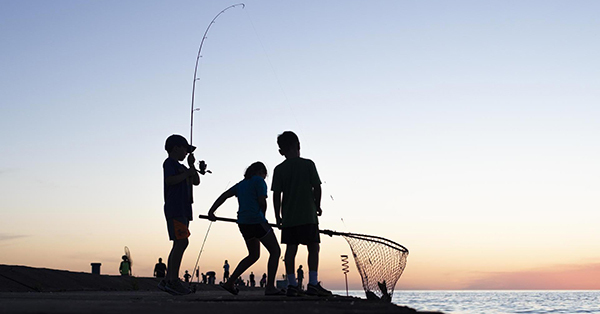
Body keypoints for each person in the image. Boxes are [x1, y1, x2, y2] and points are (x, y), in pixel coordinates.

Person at [208, 162, 284, 296]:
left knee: (253, 255)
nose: (264, 178)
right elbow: (262, 201)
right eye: (264, 175)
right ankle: (270, 287)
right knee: (275, 251)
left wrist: (211, 211)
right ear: (261, 172)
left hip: (243, 223)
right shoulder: (259, 181)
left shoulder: (241, 184)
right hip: (256, 221)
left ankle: (230, 282)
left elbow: (224, 195)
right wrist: (263, 218)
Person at [272, 131, 332, 297]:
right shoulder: (308, 164)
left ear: (281, 151)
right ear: (298, 146)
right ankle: (313, 283)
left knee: (291, 250)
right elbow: (317, 187)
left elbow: (277, 195)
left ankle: (292, 285)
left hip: (289, 218)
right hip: (308, 215)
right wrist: (318, 205)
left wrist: (278, 216)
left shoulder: (279, 169)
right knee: (313, 247)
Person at [158, 134, 206, 295]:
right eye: (185, 149)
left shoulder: (184, 167)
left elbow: (197, 181)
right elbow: (170, 181)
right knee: (182, 242)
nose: (186, 153)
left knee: (178, 243)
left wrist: (191, 166)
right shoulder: (169, 163)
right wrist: (187, 173)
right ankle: (172, 280)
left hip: (185, 209)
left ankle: (168, 279)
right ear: (176, 148)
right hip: (175, 208)